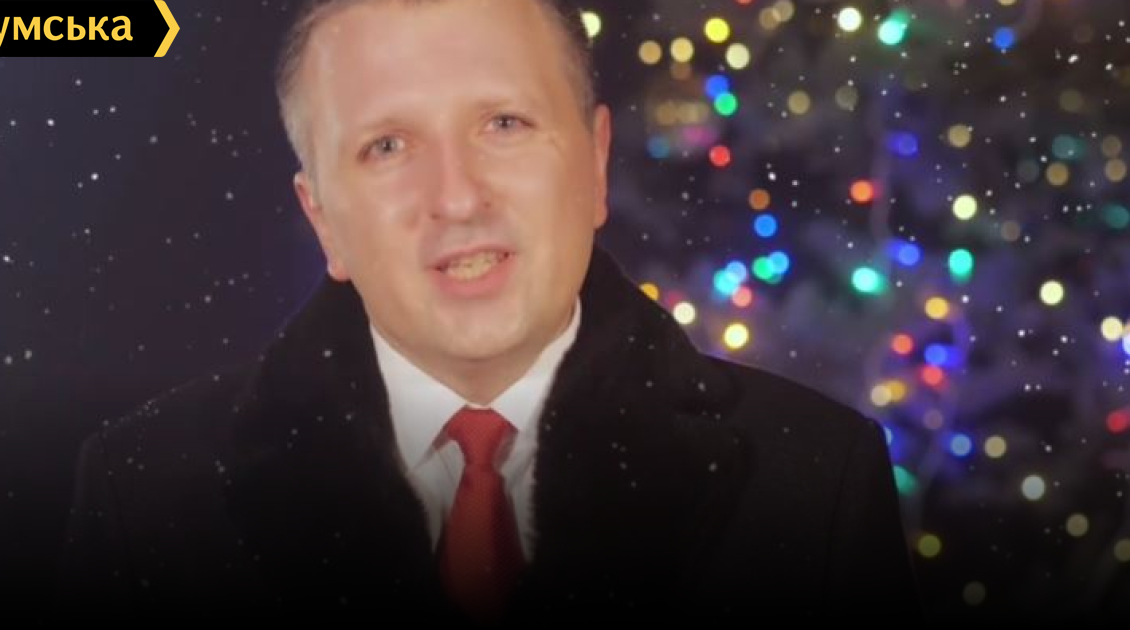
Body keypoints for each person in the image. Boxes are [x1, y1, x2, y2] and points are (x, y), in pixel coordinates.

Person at [58, 0, 923, 624]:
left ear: (594, 161)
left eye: (504, 124)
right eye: (386, 146)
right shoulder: (145, 502)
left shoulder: (817, 481)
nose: (457, 197)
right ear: (322, 219)